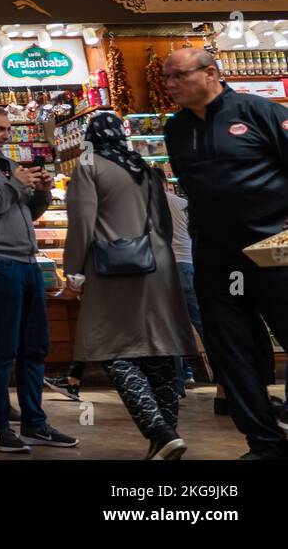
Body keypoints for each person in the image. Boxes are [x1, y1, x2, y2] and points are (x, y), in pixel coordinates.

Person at [162, 46, 288, 459]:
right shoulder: (175, 129)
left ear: (211, 73)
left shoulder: (258, 112)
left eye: (179, 76)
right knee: (231, 353)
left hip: (272, 250)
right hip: (216, 258)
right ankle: (264, 444)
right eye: (168, 78)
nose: (171, 85)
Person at [64, 113, 197, 460]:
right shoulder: (144, 167)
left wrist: (74, 270)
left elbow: (82, 222)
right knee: (158, 348)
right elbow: (165, 225)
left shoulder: (89, 165)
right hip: (159, 267)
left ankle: (159, 430)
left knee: (111, 349)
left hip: (116, 266)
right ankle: (167, 438)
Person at [0, 106, 78, 453]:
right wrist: (13, 185)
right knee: (3, 349)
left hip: (27, 262)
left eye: (8, 130)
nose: (6, 135)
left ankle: (35, 423)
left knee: (35, 346)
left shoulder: (7, 165)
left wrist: (41, 191)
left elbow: (29, 212)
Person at [165, 189, 202, 388]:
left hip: (167, 269)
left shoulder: (149, 203)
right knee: (202, 324)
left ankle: (178, 380)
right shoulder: (182, 202)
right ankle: (226, 376)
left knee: (171, 327)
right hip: (188, 264)